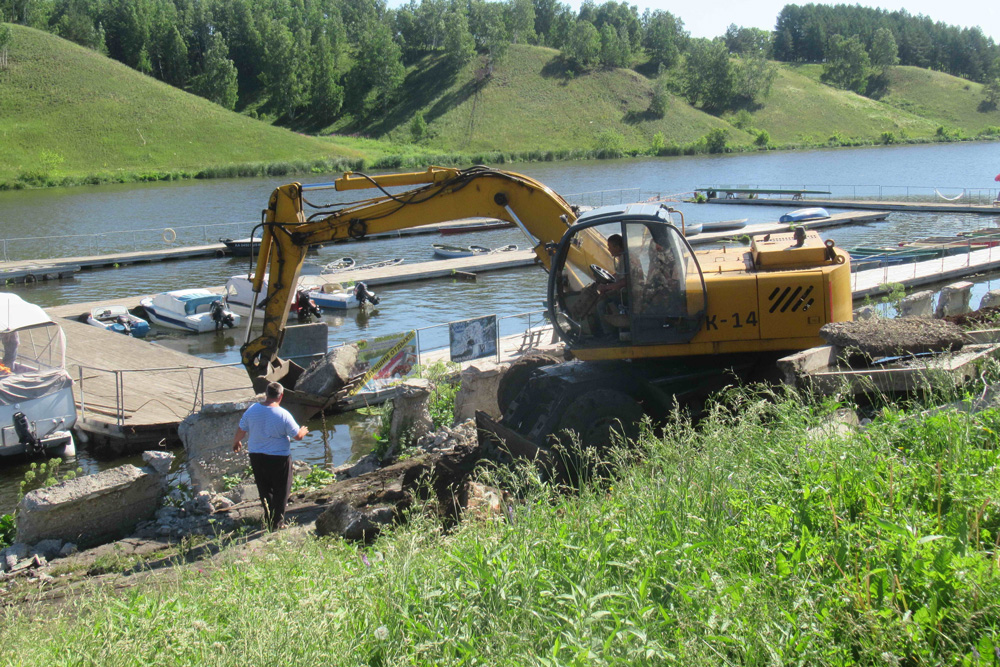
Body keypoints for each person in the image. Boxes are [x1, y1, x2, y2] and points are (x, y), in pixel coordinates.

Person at [233, 381, 308, 530]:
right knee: (282, 489)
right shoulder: (283, 414)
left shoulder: (252, 410)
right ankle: (277, 523)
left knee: (265, 488)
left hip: (256, 456)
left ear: (266, 394)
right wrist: (303, 430)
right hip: (279, 457)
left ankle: (269, 519)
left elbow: (242, 428)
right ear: (281, 396)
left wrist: (236, 442)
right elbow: (297, 436)